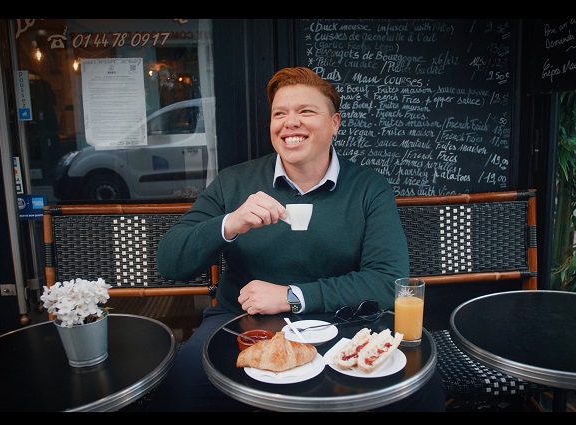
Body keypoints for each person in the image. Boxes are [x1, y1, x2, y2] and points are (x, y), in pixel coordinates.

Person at [147, 67, 444, 411]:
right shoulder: (235, 182)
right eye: (280, 114)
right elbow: (170, 263)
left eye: (306, 111)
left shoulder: (367, 187)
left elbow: (385, 280)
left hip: (344, 320)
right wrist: (230, 222)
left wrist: (292, 296)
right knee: (182, 389)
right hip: (242, 324)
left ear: (334, 124)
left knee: (419, 392)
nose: (290, 123)